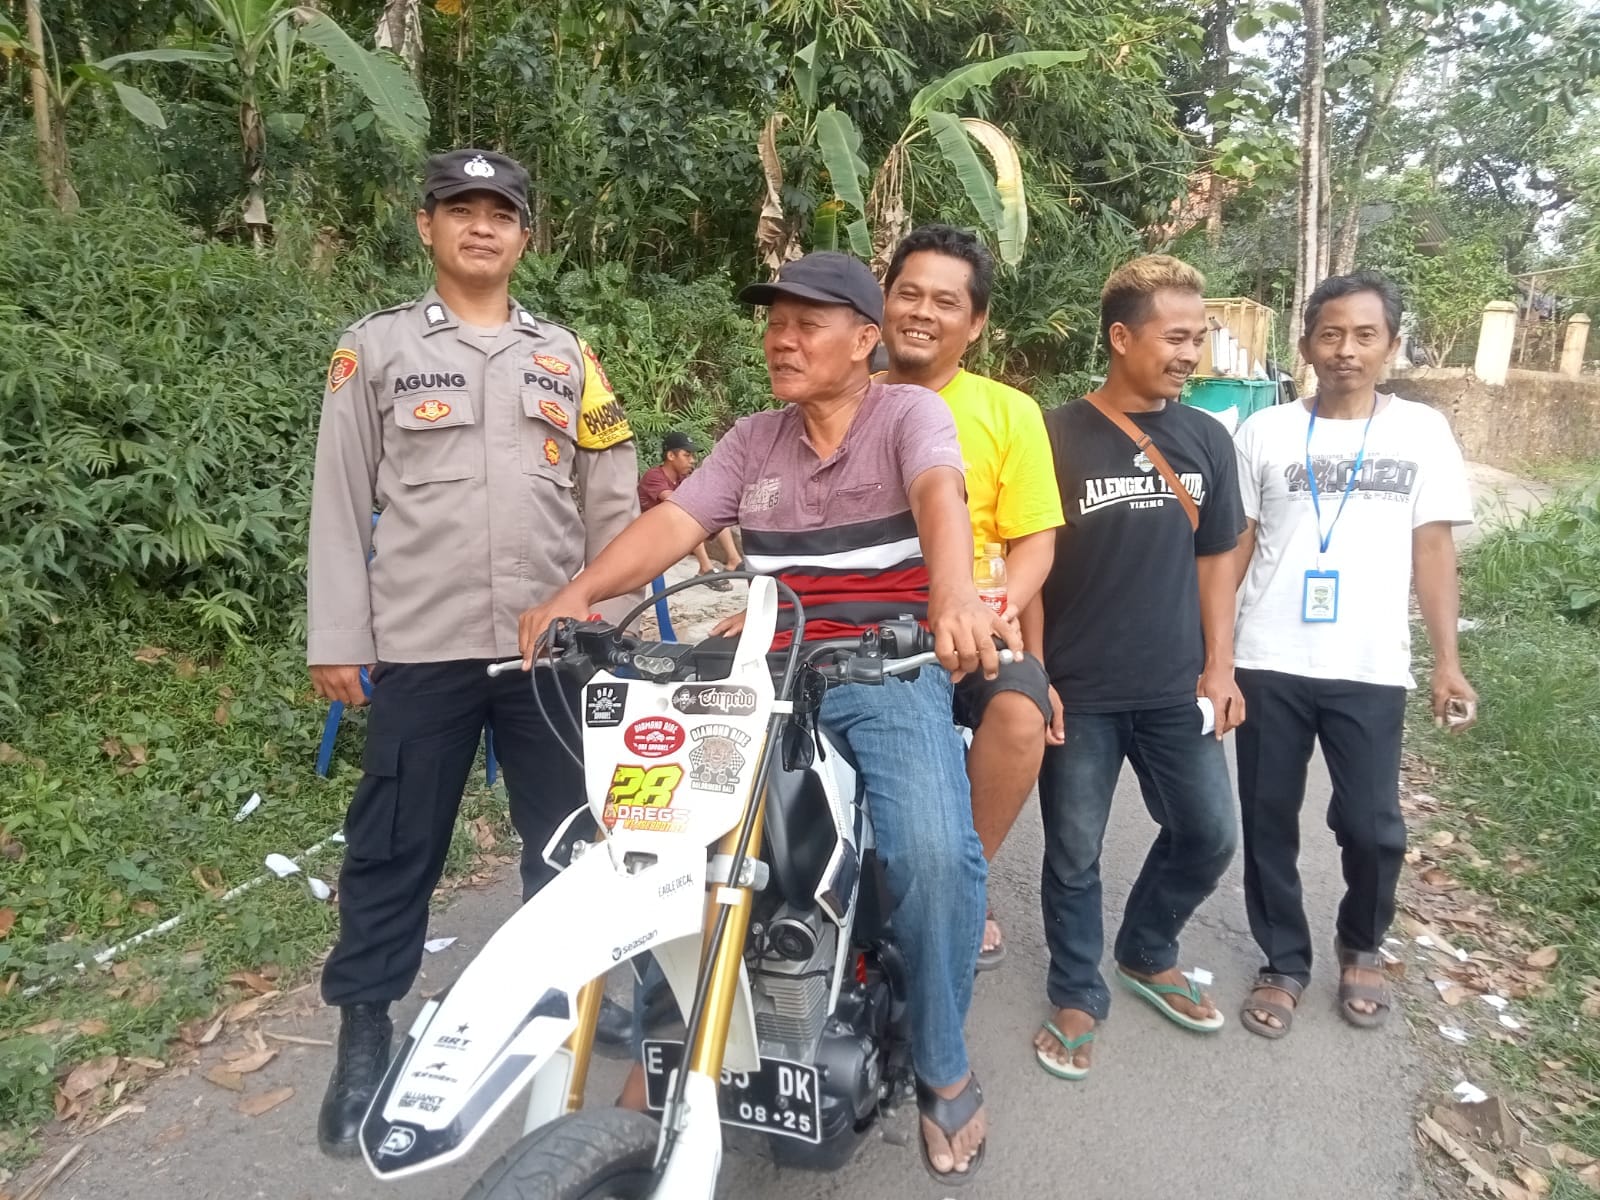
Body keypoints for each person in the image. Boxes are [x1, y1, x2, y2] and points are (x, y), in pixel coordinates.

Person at [516, 251, 1017, 1183]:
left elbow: (939, 494)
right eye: (774, 323)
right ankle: (670, 1038)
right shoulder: (753, 439)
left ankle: (943, 1062)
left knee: (934, 853)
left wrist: (952, 594)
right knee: (660, 835)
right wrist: (579, 594)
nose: (781, 340)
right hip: (762, 670)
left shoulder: (910, 415)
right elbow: (675, 525)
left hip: (883, 670)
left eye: (806, 324)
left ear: (863, 341)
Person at [304, 148, 642, 1157]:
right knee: (393, 844)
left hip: (551, 648)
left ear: (526, 236)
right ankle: (366, 1033)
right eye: (461, 209)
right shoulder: (376, 350)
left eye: (501, 212)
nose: (481, 226)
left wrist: (614, 625)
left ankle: (574, 993)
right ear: (428, 226)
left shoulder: (567, 357)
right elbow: (339, 494)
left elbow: (611, 493)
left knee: (570, 839)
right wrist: (339, 635)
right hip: (424, 643)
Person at [1232, 271, 1477, 1038]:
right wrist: (1207, 652)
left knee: (1373, 826)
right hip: (1268, 655)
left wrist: (1447, 661)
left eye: (1364, 335)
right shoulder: (1265, 433)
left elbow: (1433, 549)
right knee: (1268, 820)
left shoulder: (1422, 432)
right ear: (1306, 346)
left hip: (1369, 664)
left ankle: (1361, 941)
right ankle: (1283, 960)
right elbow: (1236, 547)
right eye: (1330, 334)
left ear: (1391, 345)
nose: (1346, 350)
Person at [1031, 255, 1245, 1082]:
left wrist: (1220, 666)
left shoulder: (1206, 438)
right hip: (1079, 690)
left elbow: (1216, 560)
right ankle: (1076, 991)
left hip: (1173, 686)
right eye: (1176, 336)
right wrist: (1037, 672)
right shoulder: (1053, 435)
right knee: (1073, 852)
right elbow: (1030, 562)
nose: (1191, 353)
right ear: (1121, 338)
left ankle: (1147, 950)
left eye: (1199, 337)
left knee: (1208, 834)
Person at [880, 224, 1063, 969]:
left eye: (946, 301)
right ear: (884, 302)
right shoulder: (842, 399)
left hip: (976, 621)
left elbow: (1035, 541)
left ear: (976, 322)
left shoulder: (1009, 411)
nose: (922, 312)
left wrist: (992, 613)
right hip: (863, 621)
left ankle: (966, 878)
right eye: (909, 293)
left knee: (1020, 713)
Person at [637, 431, 744, 589]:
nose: (692, 460)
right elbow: (678, 503)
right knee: (690, 516)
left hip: (670, 529)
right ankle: (705, 569)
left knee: (715, 513)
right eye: (686, 455)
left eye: (692, 456)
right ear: (671, 456)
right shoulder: (654, 476)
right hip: (650, 533)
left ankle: (734, 560)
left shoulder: (681, 479)